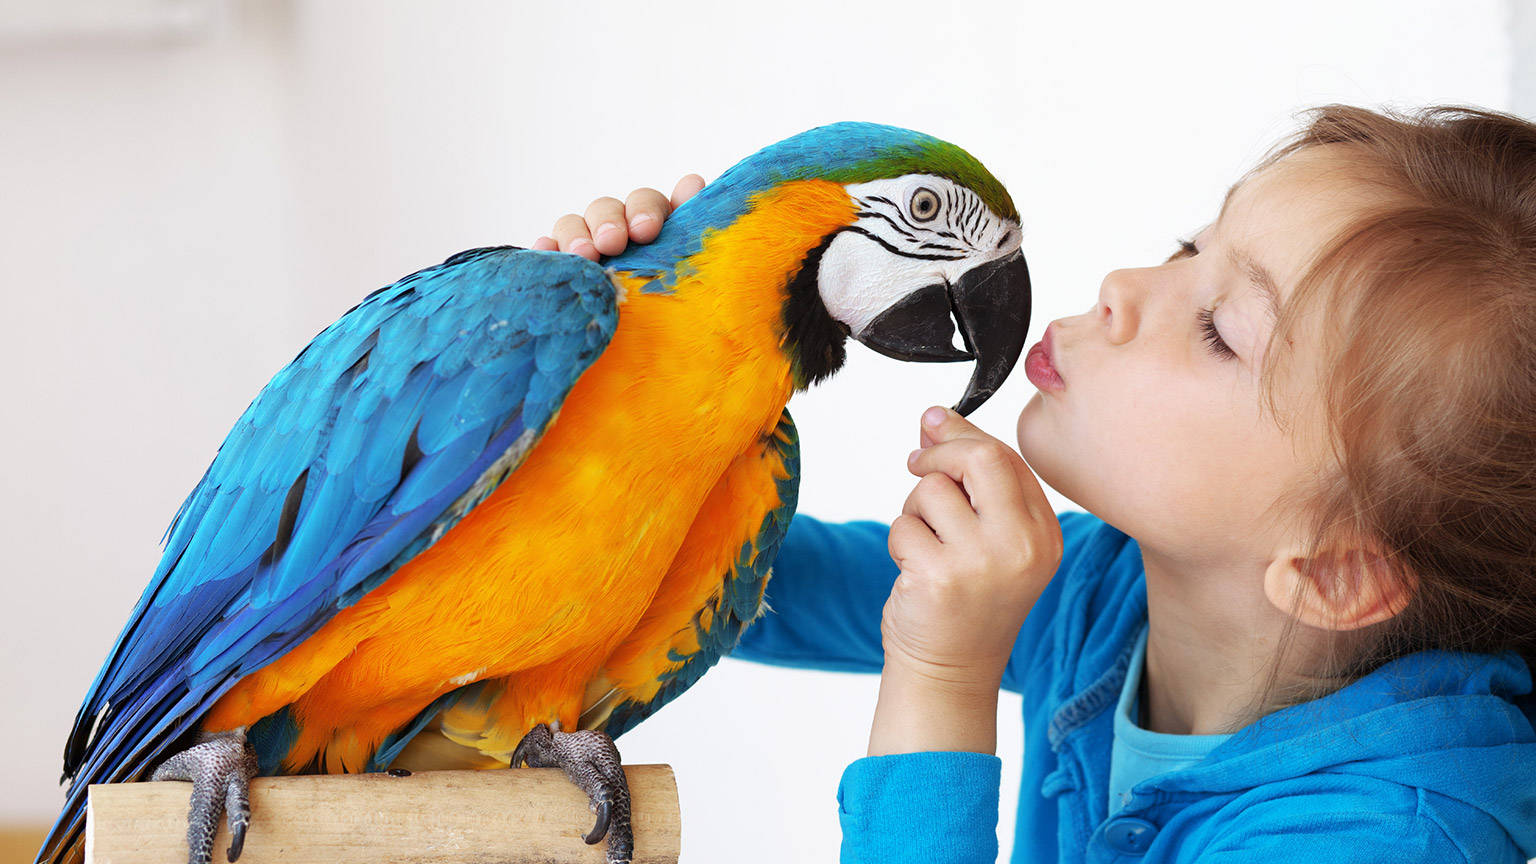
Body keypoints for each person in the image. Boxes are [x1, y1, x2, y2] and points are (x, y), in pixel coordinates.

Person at [534, 105, 1536, 862]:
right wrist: (604, 396)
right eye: (1192, 245)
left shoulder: (1390, 840)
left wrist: (941, 676)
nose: (1124, 288)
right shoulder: (1105, 598)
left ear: (1336, 573)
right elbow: (740, 583)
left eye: (1220, 330)